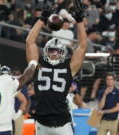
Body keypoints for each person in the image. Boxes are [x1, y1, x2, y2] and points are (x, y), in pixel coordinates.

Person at [25, 0, 87, 134]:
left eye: (57, 51)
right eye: (51, 50)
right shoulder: (38, 64)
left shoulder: (69, 67)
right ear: (46, 51)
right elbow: (30, 41)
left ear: (63, 52)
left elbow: (82, 46)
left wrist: (80, 21)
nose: (54, 53)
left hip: (62, 121)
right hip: (41, 122)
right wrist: (42, 19)